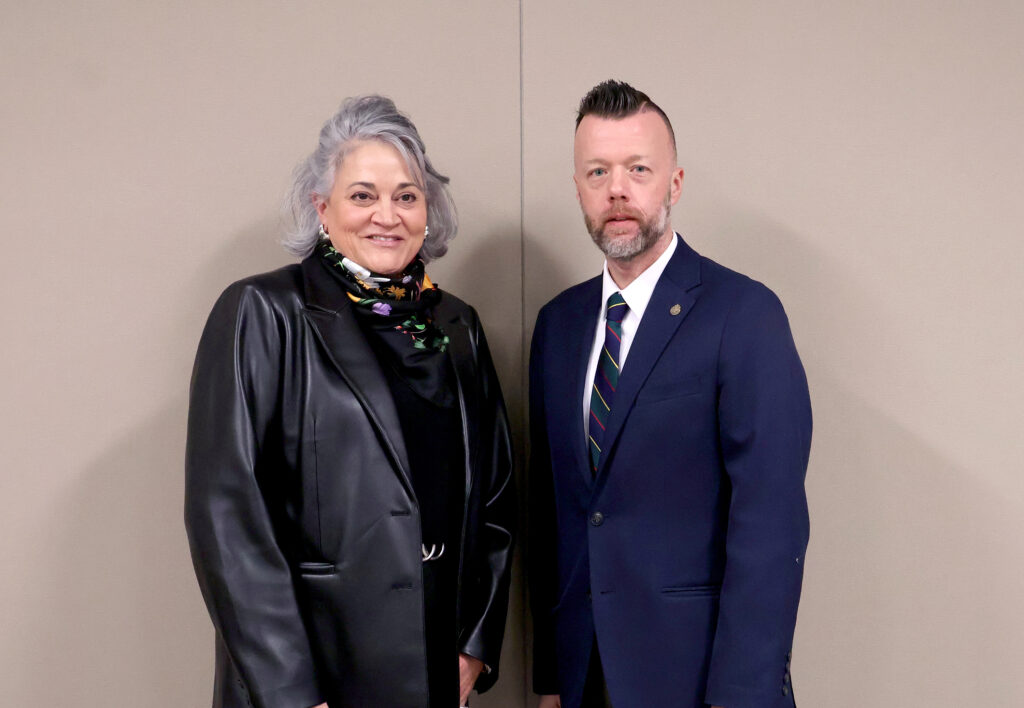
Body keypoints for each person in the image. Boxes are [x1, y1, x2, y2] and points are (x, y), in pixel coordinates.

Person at [185, 95, 515, 708]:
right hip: (317, 675)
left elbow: (495, 500)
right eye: (362, 194)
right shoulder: (263, 313)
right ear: (322, 207)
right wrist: (294, 694)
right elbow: (227, 518)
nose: (386, 215)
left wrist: (474, 647)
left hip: (434, 668)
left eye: (406, 196)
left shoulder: (456, 325)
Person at [528, 80, 812, 708]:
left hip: (700, 681)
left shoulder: (745, 314)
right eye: (597, 171)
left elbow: (771, 530)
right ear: (577, 186)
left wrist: (741, 697)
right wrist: (551, 678)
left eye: (638, 169)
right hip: (586, 678)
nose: (617, 190)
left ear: (674, 183)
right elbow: (556, 517)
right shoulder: (559, 325)